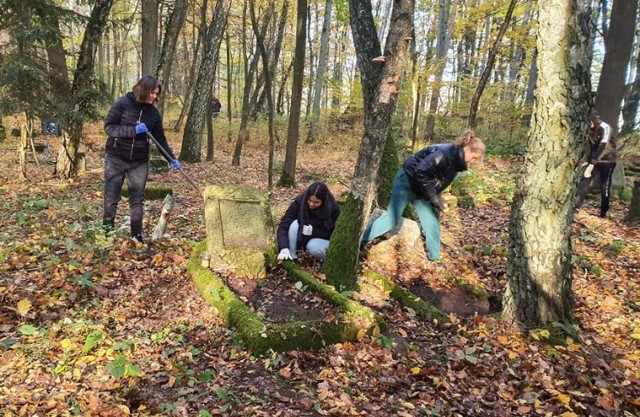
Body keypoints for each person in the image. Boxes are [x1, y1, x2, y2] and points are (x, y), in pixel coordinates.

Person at [362, 130, 485, 261]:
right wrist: (432, 197)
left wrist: (436, 201)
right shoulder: (444, 154)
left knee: (432, 222)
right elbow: (420, 172)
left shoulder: (457, 162)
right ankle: (360, 241)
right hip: (407, 181)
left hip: (423, 188)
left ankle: (435, 258)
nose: (473, 161)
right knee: (392, 218)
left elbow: (438, 180)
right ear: (467, 149)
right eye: (474, 157)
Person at [103, 76, 181, 243]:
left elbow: (160, 139)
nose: (154, 97)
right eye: (152, 93)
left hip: (139, 161)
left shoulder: (153, 113)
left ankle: (136, 235)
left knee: (137, 199)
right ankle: (107, 233)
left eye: (156, 94)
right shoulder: (122, 103)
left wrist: (171, 158)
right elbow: (109, 127)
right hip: (116, 157)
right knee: (111, 197)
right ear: (144, 90)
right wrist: (133, 130)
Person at [277, 182, 341, 261]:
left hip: (322, 240)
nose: (311, 204)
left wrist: (313, 231)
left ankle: (326, 259)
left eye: (316, 202)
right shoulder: (299, 202)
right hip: (302, 237)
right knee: (294, 224)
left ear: (323, 201)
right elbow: (284, 226)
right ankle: (292, 256)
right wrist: (283, 247)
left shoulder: (333, 208)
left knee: (313, 246)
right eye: (309, 200)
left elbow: (336, 233)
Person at [574, 111, 617, 218]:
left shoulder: (605, 127)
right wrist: (589, 161)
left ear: (593, 120)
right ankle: (576, 207)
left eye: (590, 122)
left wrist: (592, 163)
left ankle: (604, 212)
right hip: (595, 160)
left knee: (604, 186)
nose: (589, 125)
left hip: (608, 161)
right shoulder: (590, 130)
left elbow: (603, 145)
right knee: (584, 181)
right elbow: (592, 147)